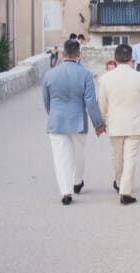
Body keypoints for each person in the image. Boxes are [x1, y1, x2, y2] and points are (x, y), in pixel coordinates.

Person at [42, 38, 106, 206]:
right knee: (79, 154)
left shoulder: (49, 75)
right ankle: (77, 182)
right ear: (79, 55)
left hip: (56, 121)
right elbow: (91, 103)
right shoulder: (86, 75)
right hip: (78, 121)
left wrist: (53, 114)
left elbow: (46, 102)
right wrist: (98, 124)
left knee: (60, 157)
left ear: (63, 54)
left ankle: (66, 192)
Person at [98, 43, 140, 205]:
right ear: (131, 58)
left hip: (115, 124)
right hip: (134, 123)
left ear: (115, 59)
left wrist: (102, 121)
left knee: (117, 156)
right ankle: (125, 191)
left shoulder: (105, 79)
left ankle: (120, 182)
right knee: (130, 158)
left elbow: (102, 103)